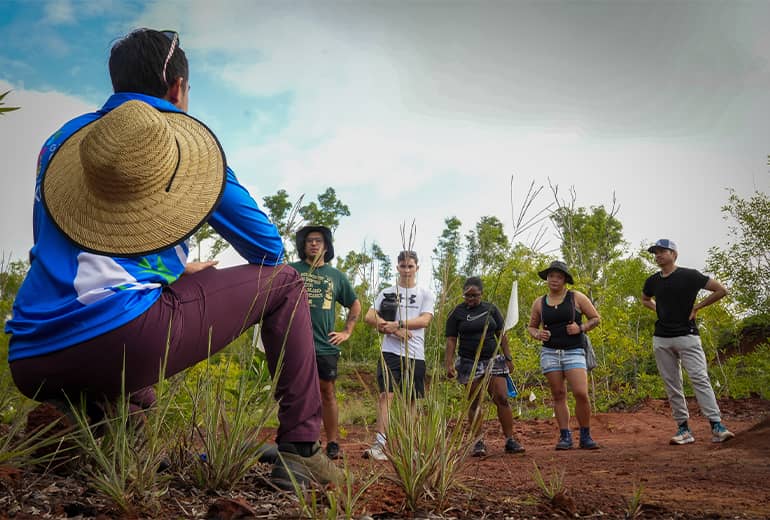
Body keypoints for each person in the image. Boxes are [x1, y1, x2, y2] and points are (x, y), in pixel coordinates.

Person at [4, 28, 340, 489]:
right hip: (121, 341)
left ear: (114, 82)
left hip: (31, 354)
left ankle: (93, 427)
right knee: (285, 282)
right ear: (178, 88)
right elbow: (267, 250)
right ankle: (301, 450)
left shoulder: (63, 143)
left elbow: (75, 249)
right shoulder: (177, 143)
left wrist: (172, 269)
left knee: (125, 342)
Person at [641, 239, 734, 445]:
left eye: (662, 251)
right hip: (661, 338)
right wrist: (658, 309)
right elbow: (645, 299)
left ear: (674, 254)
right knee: (672, 384)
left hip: (688, 336)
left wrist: (698, 307)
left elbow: (721, 290)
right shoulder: (653, 281)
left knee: (700, 378)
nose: (658, 255)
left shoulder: (689, 275)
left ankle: (717, 426)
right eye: (655, 253)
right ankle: (683, 429)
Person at [290, 225, 361, 460]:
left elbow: (355, 303)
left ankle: (332, 442)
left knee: (327, 392)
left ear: (326, 246)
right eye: (309, 240)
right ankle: (306, 439)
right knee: (299, 392)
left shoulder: (336, 276)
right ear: (303, 245)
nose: (313, 244)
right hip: (296, 344)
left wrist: (347, 331)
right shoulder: (291, 271)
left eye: (318, 240)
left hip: (325, 345)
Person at [362, 250, 435, 460]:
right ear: (397, 268)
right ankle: (380, 445)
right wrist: (395, 331)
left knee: (410, 401)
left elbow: (424, 321)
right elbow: (369, 316)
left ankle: (408, 445)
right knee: (387, 395)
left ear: (417, 268)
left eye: (410, 266)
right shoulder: (387, 292)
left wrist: (398, 323)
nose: (406, 270)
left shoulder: (425, 294)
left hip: (415, 354)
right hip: (390, 352)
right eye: (403, 266)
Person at [445, 276, 525, 457]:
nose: (471, 299)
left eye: (475, 295)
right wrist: (448, 363)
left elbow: (501, 334)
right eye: (467, 296)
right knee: (474, 401)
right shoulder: (456, 313)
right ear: (463, 294)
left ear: (481, 294)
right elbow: (451, 340)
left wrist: (508, 358)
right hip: (468, 362)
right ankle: (478, 442)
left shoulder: (491, 309)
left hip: (493, 359)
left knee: (502, 397)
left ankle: (510, 439)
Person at [527, 260, 601, 450]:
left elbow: (595, 318)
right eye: (551, 276)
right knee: (558, 394)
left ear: (565, 280)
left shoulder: (576, 297)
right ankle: (565, 435)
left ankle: (585, 434)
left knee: (580, 393)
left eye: (558, 277)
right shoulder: (540, 302)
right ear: (547, 278)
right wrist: (537, 334)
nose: (554, 280)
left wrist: (581, 327)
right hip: (550, 352)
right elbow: (532, 327)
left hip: (574, 350)